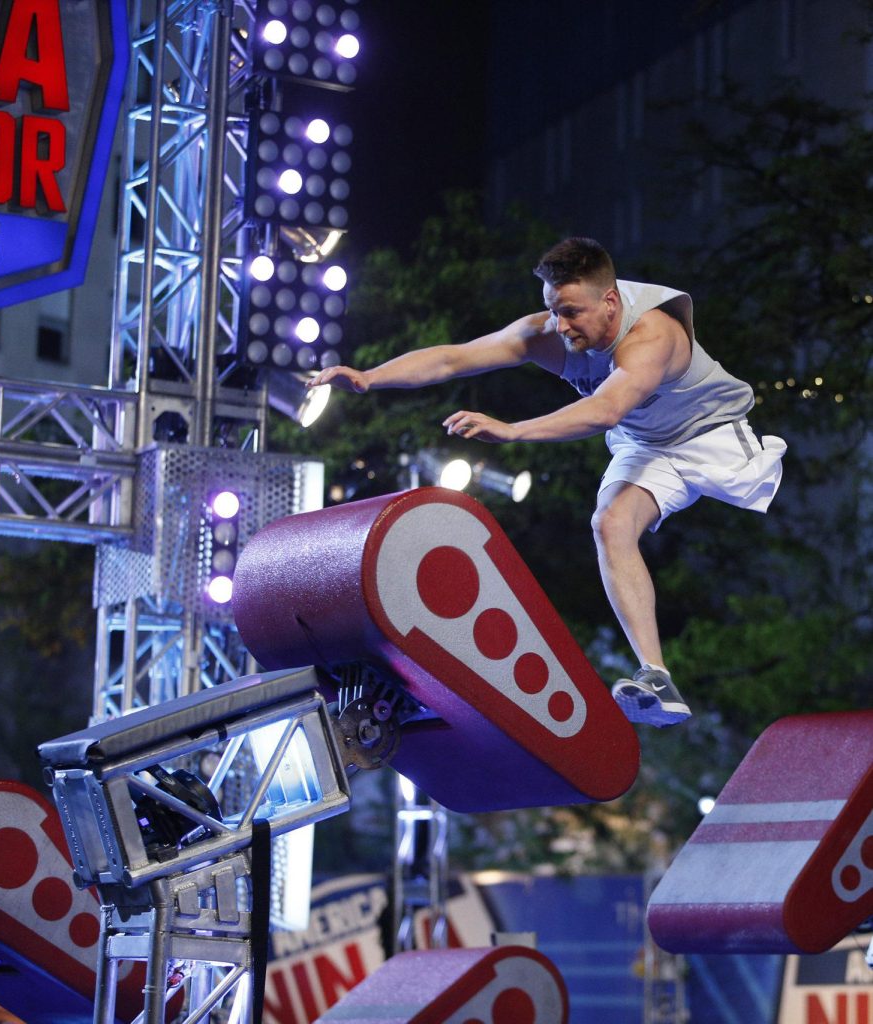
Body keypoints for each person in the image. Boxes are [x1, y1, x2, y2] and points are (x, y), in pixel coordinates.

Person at [307, 237, 786, 727]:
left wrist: (513, 430)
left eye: (573, 312)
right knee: (609, 524)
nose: (562, 327)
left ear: (611, 301)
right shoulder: (548, 331)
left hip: (708, 435)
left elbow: (605, 409)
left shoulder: (652, 335)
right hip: (645, 446)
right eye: (554, 311)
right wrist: (368, 378)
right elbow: (455, 358)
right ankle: (657, 677)